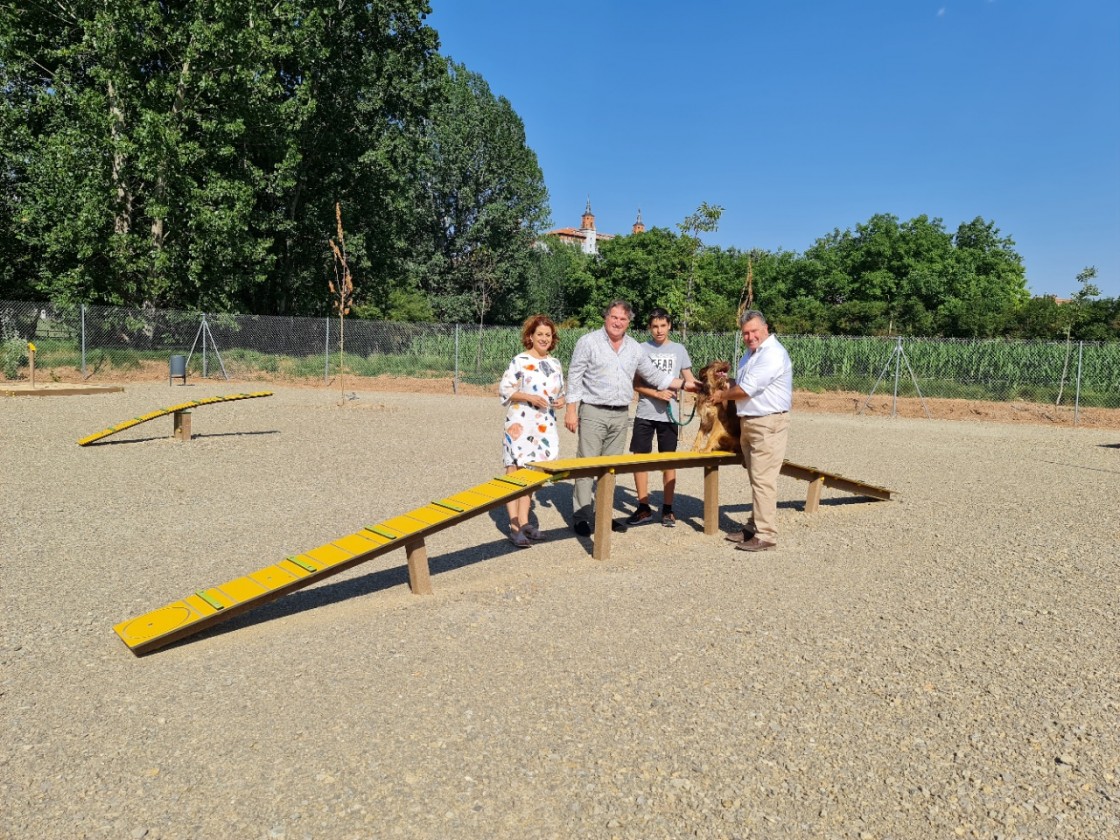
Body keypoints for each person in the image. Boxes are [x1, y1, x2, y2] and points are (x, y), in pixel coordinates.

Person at [564, 300, 693, 537]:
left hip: (621, 414)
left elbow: (655, 376)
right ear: (606, 317)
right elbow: (575, 376)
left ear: (629, 322)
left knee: (611, 468)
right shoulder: (589, 341)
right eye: (614, 317)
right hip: (593, 410)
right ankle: (582, 517)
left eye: (623, 319)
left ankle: (603, 515)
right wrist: (571, 410)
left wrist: (688, 385)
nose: (618, 322)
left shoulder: (634, 348)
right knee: (586, 464)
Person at [711, 309, 793, 552]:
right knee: (756, 478)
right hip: (750, 422)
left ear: (765, 329)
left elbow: (747, 389)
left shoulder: (773, 354)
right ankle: (753, 526)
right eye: (745, 333)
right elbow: (741, 383)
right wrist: (726, 381)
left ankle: (766, 535)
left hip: (768, 423)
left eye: (754, 331)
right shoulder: (751, 354)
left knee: (763, 480)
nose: (749, 337)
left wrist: (721, 395)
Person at [499, 315, 565, 548]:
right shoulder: (520, 360)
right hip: (520, 424)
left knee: (534, 473)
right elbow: (505, 390)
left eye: (548, 334)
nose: (544, 338)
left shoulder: (555, 364)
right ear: (530, 336)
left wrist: (560, 402)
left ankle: (526, 522)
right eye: (540, 334)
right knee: (515, 472)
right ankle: (514, 526)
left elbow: (559, 393)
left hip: (544, 426)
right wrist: (529, 397)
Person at [627, 308, 696, 527]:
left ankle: (667, 509)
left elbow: (689, 381)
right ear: (650, 327)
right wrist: (657, 393)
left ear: (669, 326)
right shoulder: (640, 349)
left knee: (668, 461)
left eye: (663, 326)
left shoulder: (679, 350)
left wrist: (712, 387)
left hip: (670, 415)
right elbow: (636, 384)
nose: (659, 330)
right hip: (645, 412)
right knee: (640, 459)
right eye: (655, 326)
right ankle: (644, 507)